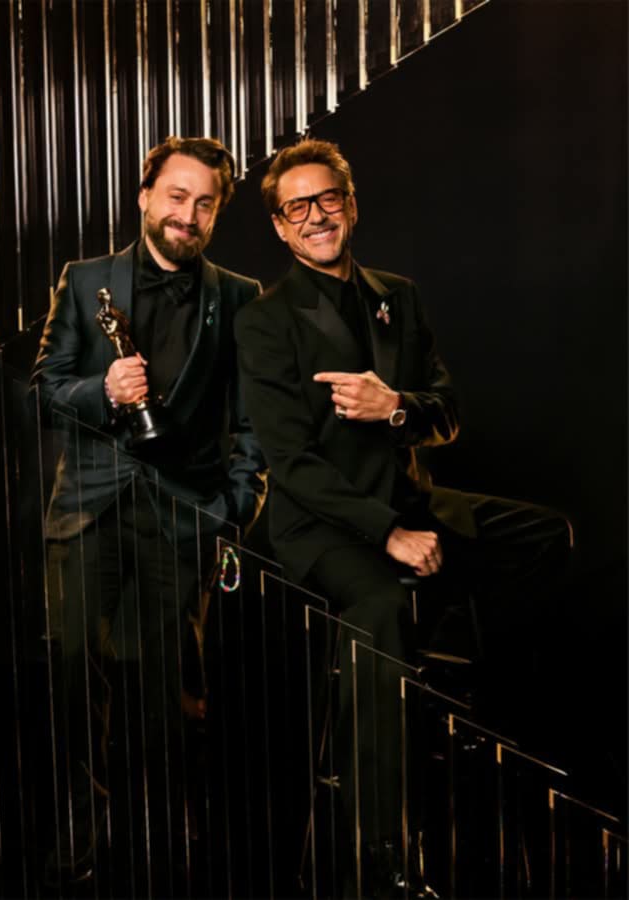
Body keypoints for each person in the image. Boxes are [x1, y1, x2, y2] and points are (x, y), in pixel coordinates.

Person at [234, 139, 572, 898]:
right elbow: (292, 465)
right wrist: (386, 533)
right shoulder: (264, 321)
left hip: (415, 503)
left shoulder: (401, 295)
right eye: (297, 207)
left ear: (351, 205)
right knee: (381, 608)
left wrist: (395, 409)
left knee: (546, 536)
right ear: (281, 228)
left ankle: (496, 716)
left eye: (328, 199)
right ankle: (380, 846)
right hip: (323, 525)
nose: (317, 216)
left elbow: (446, 413)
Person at [31, 136, 267, 893]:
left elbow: (254, 419)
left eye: (205, 203)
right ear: (144, 196)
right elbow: (44, 390)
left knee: (169, 685)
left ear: (217, 213)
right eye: (175, 195)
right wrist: (102, 390)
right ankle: (80, 816)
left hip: (183, 514)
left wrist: (234, 506)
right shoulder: (85, 280)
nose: (187, 214)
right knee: (74, 669)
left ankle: (168, 821)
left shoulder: (240, 297)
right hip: (88, 507)